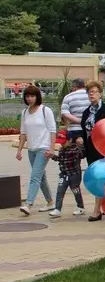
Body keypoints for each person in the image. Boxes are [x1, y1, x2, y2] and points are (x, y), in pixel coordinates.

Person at [80, 81, 105, 221]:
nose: (91, 94)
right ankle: (100, 208)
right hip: (91, 150)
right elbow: (83, 130)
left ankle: (103, 209)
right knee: (97, 177)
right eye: (89, 92)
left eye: (94, 91)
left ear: (100, 94)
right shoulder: (86, 112)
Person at [16, 85, 57, 215]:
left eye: (32, 96)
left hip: (43, 149)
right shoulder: (25, 112)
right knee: (41, 176)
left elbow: (53, 131)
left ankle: (28, 204)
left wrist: (51, 149)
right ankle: (50, 202)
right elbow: (23, 133)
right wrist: (19, 150)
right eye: (27, 96)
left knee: (35, 176)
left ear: (37, 97)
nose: (30, 98)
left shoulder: (45, 110)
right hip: (31, 149)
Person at [50, 130, 85, 218]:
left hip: (74, 174)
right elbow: (60, 159)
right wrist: (52, 156)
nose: (61, 144)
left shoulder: (76, 149)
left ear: (70, 140)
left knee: (76, 191)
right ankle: (57, 209)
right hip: (64, 174)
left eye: (63, 142)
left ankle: (80, 207)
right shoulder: (61, 150)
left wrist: (81, 145)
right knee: (60, 191)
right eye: (60, 142)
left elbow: (82, 155)